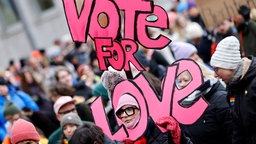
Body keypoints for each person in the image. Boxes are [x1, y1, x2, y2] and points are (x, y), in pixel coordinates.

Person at [210, 36, 256, 143]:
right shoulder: (233, 87)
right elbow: (238, 127)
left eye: (217, 69)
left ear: (229, 66)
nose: (215, 75)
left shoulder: (253, 84)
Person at [176, 62, 233, 144]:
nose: (181, 85)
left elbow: (233, 135)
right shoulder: (184, 104)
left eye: (185, 80)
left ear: (201, 78)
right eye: (179, 81)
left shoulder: (220, 99)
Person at [115, 93, 192, 144]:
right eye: (120, 112)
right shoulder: (120, 138)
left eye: (129, 109)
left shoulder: (163, 128)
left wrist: (179, 137)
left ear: (141, 109)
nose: (124, 115)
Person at [0, 76, 39, 142]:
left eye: (2, 85)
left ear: (6, 85)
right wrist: (6, 137)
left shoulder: (19, 95)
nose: (0, 89)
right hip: (10, 135)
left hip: (30, 127)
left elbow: (34, 108)